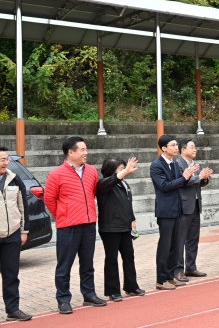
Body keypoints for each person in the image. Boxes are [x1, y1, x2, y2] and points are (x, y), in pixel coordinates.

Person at [44, 137, 106, 314]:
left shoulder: (91, 171)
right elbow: (49, 199)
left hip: (88, 223)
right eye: (82, 150)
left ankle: (89, 294)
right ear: (70, 152)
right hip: (68, 226)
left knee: (87, 263)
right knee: (64, 265)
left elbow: (92, 193)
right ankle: (63, 299)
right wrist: (62, 215)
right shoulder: (56, 174)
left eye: (86, 149)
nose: (86, 153)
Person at [150, 134, 199, 289]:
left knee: (175, 246)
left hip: (178, 209)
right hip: (165, 211)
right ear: (164, 148)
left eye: (176, 145)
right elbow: (164, 186)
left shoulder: (173, 164)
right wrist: (184, 177)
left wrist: (189, 176)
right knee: (165, 246)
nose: (176, 147)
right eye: (173, 145)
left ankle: (170, 276)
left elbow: (181, 183)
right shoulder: (156, 165)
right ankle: (161, 280)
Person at [96, 157, 145, 301]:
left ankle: (131, 286)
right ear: (111, 170)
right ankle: (113, 290)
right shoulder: (103, 184)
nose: (124, 170)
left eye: (124, 168)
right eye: (121, 168)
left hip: (125, 226)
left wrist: (132, 219)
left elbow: (127, 203)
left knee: (129, 256)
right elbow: (112, 180)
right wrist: (124, 172)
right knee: (111, 259)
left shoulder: (124, 183)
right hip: (110, 228)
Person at [0, 146, 32, 321]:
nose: (6, 163)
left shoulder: (14, 178)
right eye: (2, 160)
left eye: (7, 159)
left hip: (12, 234)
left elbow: (23, 206)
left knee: (11, 274)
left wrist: (23, 231)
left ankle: (13, 309)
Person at [174, 138, 213, 282]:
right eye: (191, 147)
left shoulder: (194, 164)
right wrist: (199, 177)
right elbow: (181, 183)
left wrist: (204, 178)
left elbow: (196, 183)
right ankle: (178, 270)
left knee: (193, 239)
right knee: (180, 239)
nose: (194, 149)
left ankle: (190, 267)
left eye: (195, 147)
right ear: (183, 150)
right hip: (184, 206)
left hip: (195, 205)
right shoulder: (177, 164)